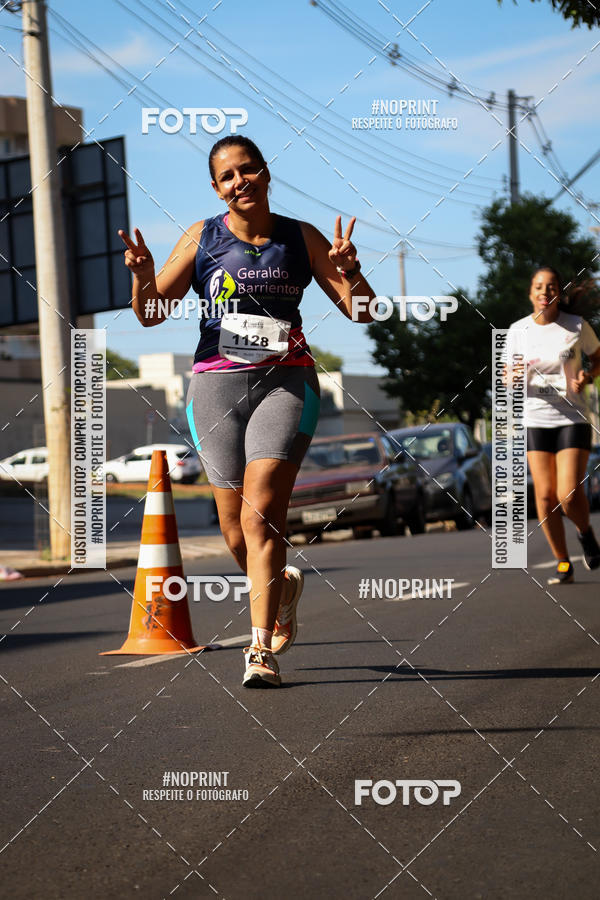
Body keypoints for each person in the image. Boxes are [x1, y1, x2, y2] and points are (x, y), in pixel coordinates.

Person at [119, 135, 376, 686]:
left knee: (260, 516)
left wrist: (351, 271)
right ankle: (281, 591)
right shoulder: (202, 237)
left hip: (287, 382)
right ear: (217, 189)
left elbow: (364, 312)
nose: (240, 181)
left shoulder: (300, 236)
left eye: (248, 169)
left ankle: (260, 650)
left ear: (265, 173)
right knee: (235, 531)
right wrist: (142, 277)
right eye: (228, 176)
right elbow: (152, 313)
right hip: (215, 388)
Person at [507, 266, 600, 584]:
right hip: (535, 420)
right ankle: (563, 562)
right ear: (530, 293)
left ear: (558, 292)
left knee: (568, 495)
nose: (544, 292)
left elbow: (598, 358)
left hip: (572, 417)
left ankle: (585, 533)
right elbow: (506, 375)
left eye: (551, 286)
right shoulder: (517, 331)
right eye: (539, 287)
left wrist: (587, 376)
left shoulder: (576, 326)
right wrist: (512, 376)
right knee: (545, 497)